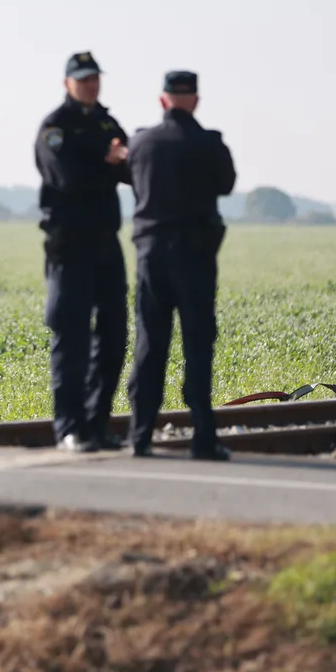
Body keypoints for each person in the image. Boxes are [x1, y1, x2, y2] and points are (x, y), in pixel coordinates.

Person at [124, 71, 235, 461]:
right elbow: (226, 184)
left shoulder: (142, 142)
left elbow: (129, 174)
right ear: (196, 101)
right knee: (198, 344)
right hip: (196, 258)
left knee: (150, 344)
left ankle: (140, 437)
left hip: (151, 256)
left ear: (162, 100)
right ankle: (204, 437)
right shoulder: (210, 144)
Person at [34, 51, 131, 452]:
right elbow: (66, 177)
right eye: (84, 78)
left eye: (95, 78)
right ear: (67, 82)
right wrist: (105, 161)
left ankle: (95, 425)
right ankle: (69, 428)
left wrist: (115, 162)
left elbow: (131, 166)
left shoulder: (107, 122)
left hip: (106, 244)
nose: (91, 84)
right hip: (70, 244)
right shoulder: (55, 127)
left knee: (113, 336)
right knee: (71, 337)